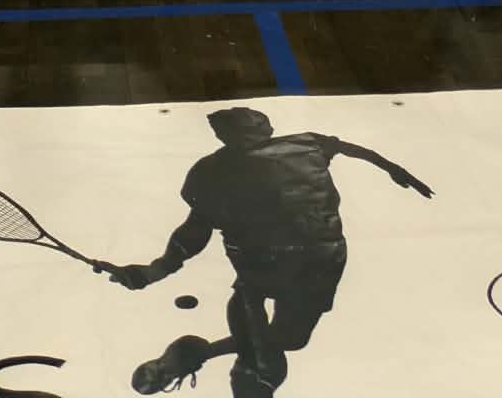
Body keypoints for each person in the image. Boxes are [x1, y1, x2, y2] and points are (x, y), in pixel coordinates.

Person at [102, 106, 432, 398]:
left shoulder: (214, 171)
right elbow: (351, 149)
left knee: (282, 338)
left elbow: (194, 232)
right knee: (268, 348)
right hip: (316, 261)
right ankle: (236, 369)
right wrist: (393, 168)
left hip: (283, 264)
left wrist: (152, 273)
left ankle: (208, 357)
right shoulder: (307, 144)